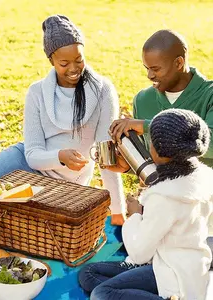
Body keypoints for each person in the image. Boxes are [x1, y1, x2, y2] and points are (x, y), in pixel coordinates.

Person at [0, 15, 126, 225]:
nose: (73, 69)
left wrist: (118, 212)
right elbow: (32, 155)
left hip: (63, 186)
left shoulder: (103, 90)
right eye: (64, 63)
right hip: (25, 163)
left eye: (79, 60)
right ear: (51, 60)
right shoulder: (37, 92)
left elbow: (106, 157)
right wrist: (60, 156)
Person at [79, 108, 213, 300]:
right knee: (88, 274)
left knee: (101, 293)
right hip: (185, 264)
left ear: (158, 150)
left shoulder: (165, 197)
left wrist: (135, 215)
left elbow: (139, 252)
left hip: (172, 274)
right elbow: (173, 195)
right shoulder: (203, 177)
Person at [108, 29, 213, 265]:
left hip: (202, 206)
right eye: (146, 68)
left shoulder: (209, 94)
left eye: (155, 69)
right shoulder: (143, 100)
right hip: (161, 202)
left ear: (179, 63)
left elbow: (211, 143)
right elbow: (155, 159)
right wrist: (128, 165)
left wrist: (146, 126)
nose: (149, 75)